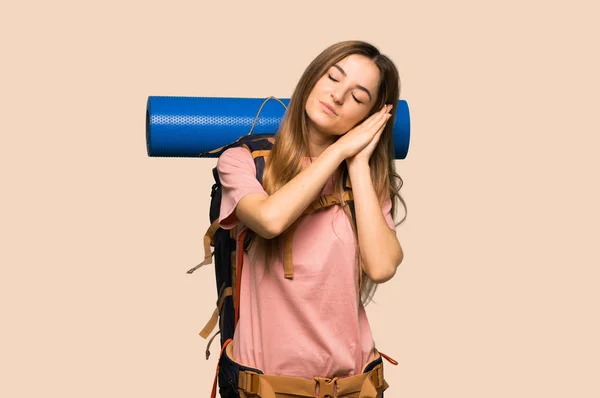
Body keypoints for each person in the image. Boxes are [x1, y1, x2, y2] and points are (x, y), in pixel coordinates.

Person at [215, 40, 407, 398]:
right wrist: (338, 151)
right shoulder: (243, 161)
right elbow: (270, 220)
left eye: (358, 97)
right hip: (264, 387)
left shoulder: (364, 182)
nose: (337, 96)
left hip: (354, 385)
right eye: (333, 77)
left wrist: (359, 164)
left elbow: (381, 267)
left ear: (367, 118)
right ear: (313, 77)